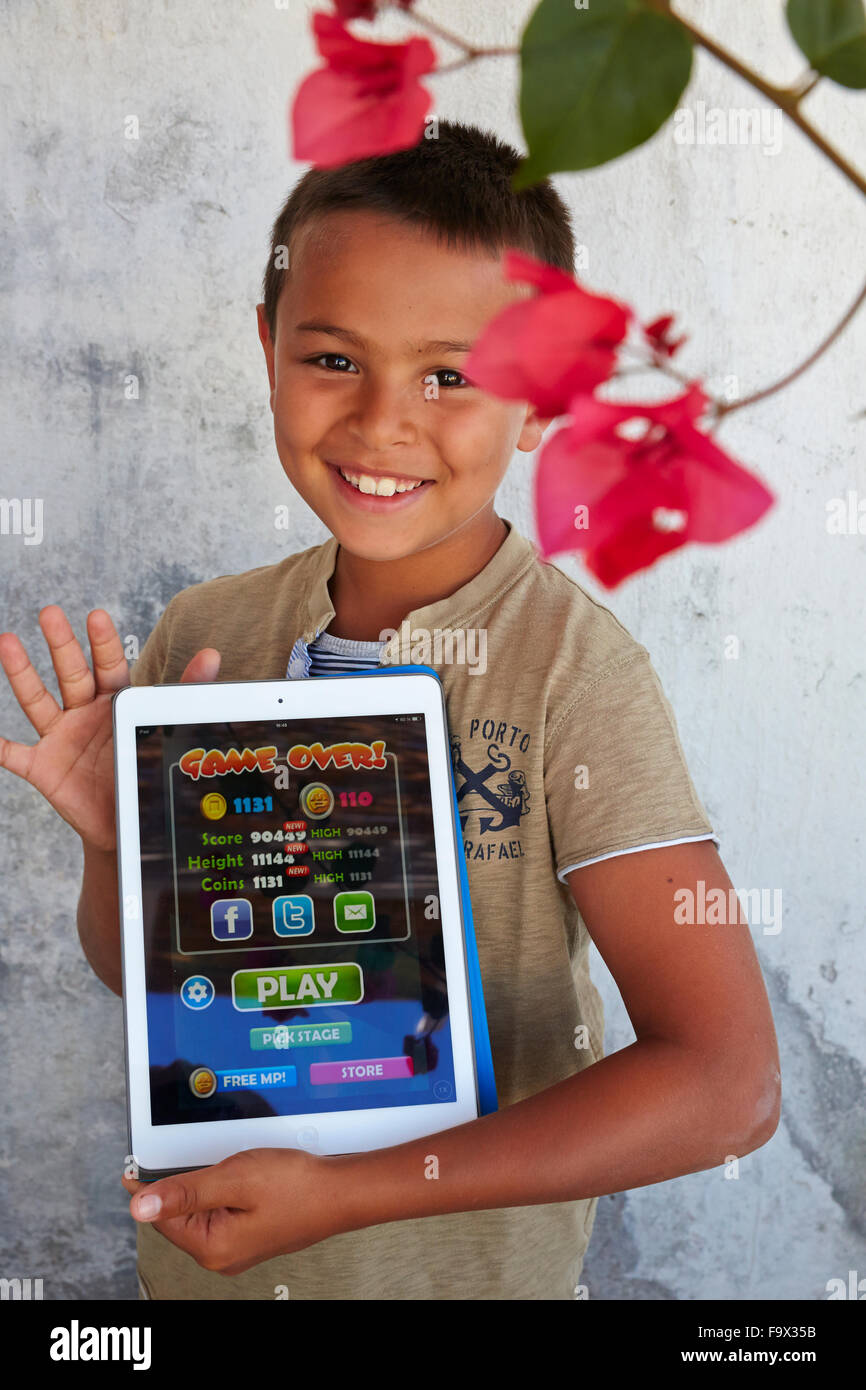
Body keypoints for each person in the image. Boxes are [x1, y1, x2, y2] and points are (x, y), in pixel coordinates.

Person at [0, 122, 780, 1301]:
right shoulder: (205, 639)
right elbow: (149, 986)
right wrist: (118, 850)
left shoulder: (569, 673)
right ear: (266, 349)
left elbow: (727, 1083)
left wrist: (351, 1189)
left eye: (449, 375)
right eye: (331, 359)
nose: (381, 422)